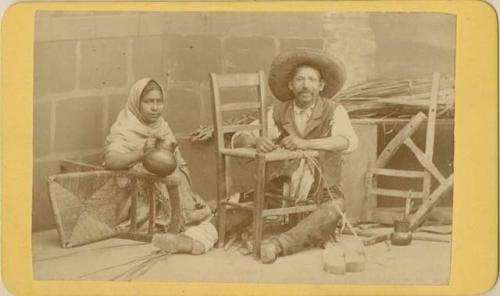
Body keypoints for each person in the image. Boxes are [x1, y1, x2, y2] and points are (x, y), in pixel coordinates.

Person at [153, 49, 358, 264]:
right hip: (285, 182)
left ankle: (278, 245)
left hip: (322, 187)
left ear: (321, 85)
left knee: (334, 208)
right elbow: (240, 138)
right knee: (252, 202)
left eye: (311, 80)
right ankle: (197, 239)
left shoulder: (334, 110)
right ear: (291, 85)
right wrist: (256, 140)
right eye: (299, 79)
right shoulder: (278, 111)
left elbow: (348, 141)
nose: (305, 85)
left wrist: (306, 143)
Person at [103, 78, 215, 254]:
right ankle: (169, 220)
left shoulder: (161, 126)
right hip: (136, 194)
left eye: (159, 101)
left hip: (164, 189)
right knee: (156, 167)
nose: (155, 107)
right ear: (136, 102)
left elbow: (178, 163)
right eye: (148, 102)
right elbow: (111, 161)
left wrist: (191, 195)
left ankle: (179, 216)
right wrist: (142, 152)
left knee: (167, 166)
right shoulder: (125, 126)